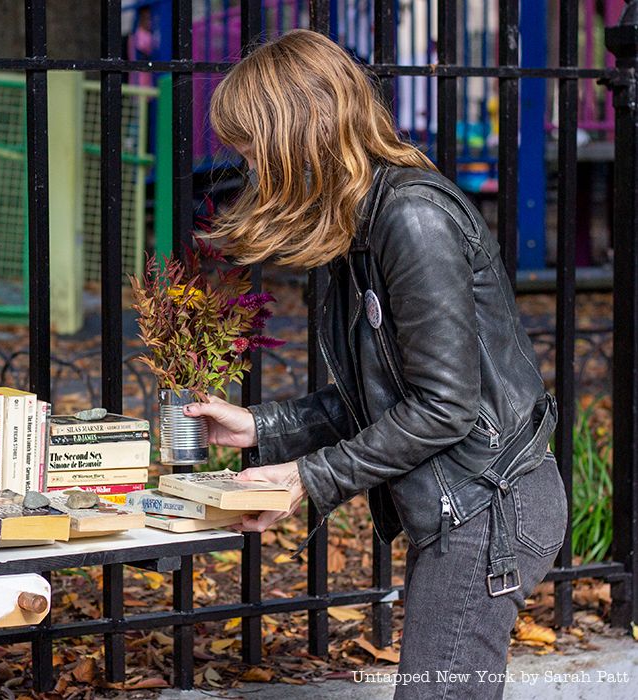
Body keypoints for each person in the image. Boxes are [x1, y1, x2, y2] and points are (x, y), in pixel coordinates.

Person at [183, 30, 567, 699]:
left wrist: (307, 478)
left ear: (299, 133)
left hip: (487, 510)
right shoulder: (356, 222)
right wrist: (258, 427)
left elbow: (443, 408)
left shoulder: (410, 217)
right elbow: (388, 393)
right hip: (464, 504)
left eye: (251, 145)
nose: (245, 163)